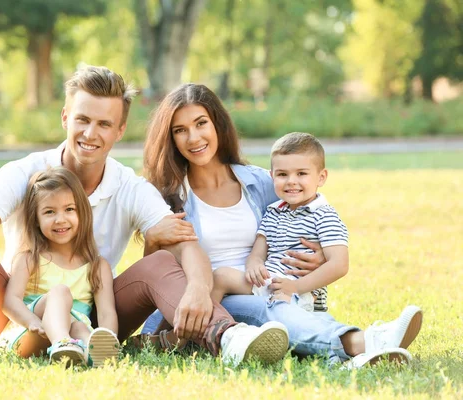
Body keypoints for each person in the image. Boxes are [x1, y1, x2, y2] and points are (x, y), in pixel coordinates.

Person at [0, 66, 290, 367]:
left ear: (120, 130)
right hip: (19, 313)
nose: (91, 132)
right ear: (65, 117)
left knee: (159, 262)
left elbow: (186, 247)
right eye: (83, 119)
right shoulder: (24, 172)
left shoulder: (130, 186)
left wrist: (197, 289)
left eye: (105, 123)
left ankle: (228, 337)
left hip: (94, 322)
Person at [141, 83, 423, 368]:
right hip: (210, 298)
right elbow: (156, 273)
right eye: (180, 130)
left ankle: (350, 359)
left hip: (269, 284)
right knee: (271, 306)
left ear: (218, 124)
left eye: (201, 123)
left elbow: (309, 216)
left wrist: (322, 255)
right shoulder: (168, 197)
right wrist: (153, 240)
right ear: (171, 138)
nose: (194, 137)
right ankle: (362, 342)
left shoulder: (262, 182)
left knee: (281, 304)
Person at [211, 132, 349, 314]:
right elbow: (257, 253)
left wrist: (295, 287)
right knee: (220, 276)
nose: (292, 181)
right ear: (272, 176)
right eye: (283, 174)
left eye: (301, 174)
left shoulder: (324, 215)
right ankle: (203, 326)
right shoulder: (273, 211)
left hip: (303, 292)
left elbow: (339, 264)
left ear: (321, 177)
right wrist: (254, 265)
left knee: (280, 308)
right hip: (268, 282)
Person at [0, 166, 117, 367]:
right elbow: (10, 302)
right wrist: (32, 322)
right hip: (31, 333)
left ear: (82, 212)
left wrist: (108, 337)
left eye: (69, 209)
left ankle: (93, 352)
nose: (60, 219)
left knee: (79, 327)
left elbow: (106, 313)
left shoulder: (97, 266)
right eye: (49, 212)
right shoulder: (29, 259)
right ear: (36, 220)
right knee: (60, 293)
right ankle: (61, 342)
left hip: (75, 333)